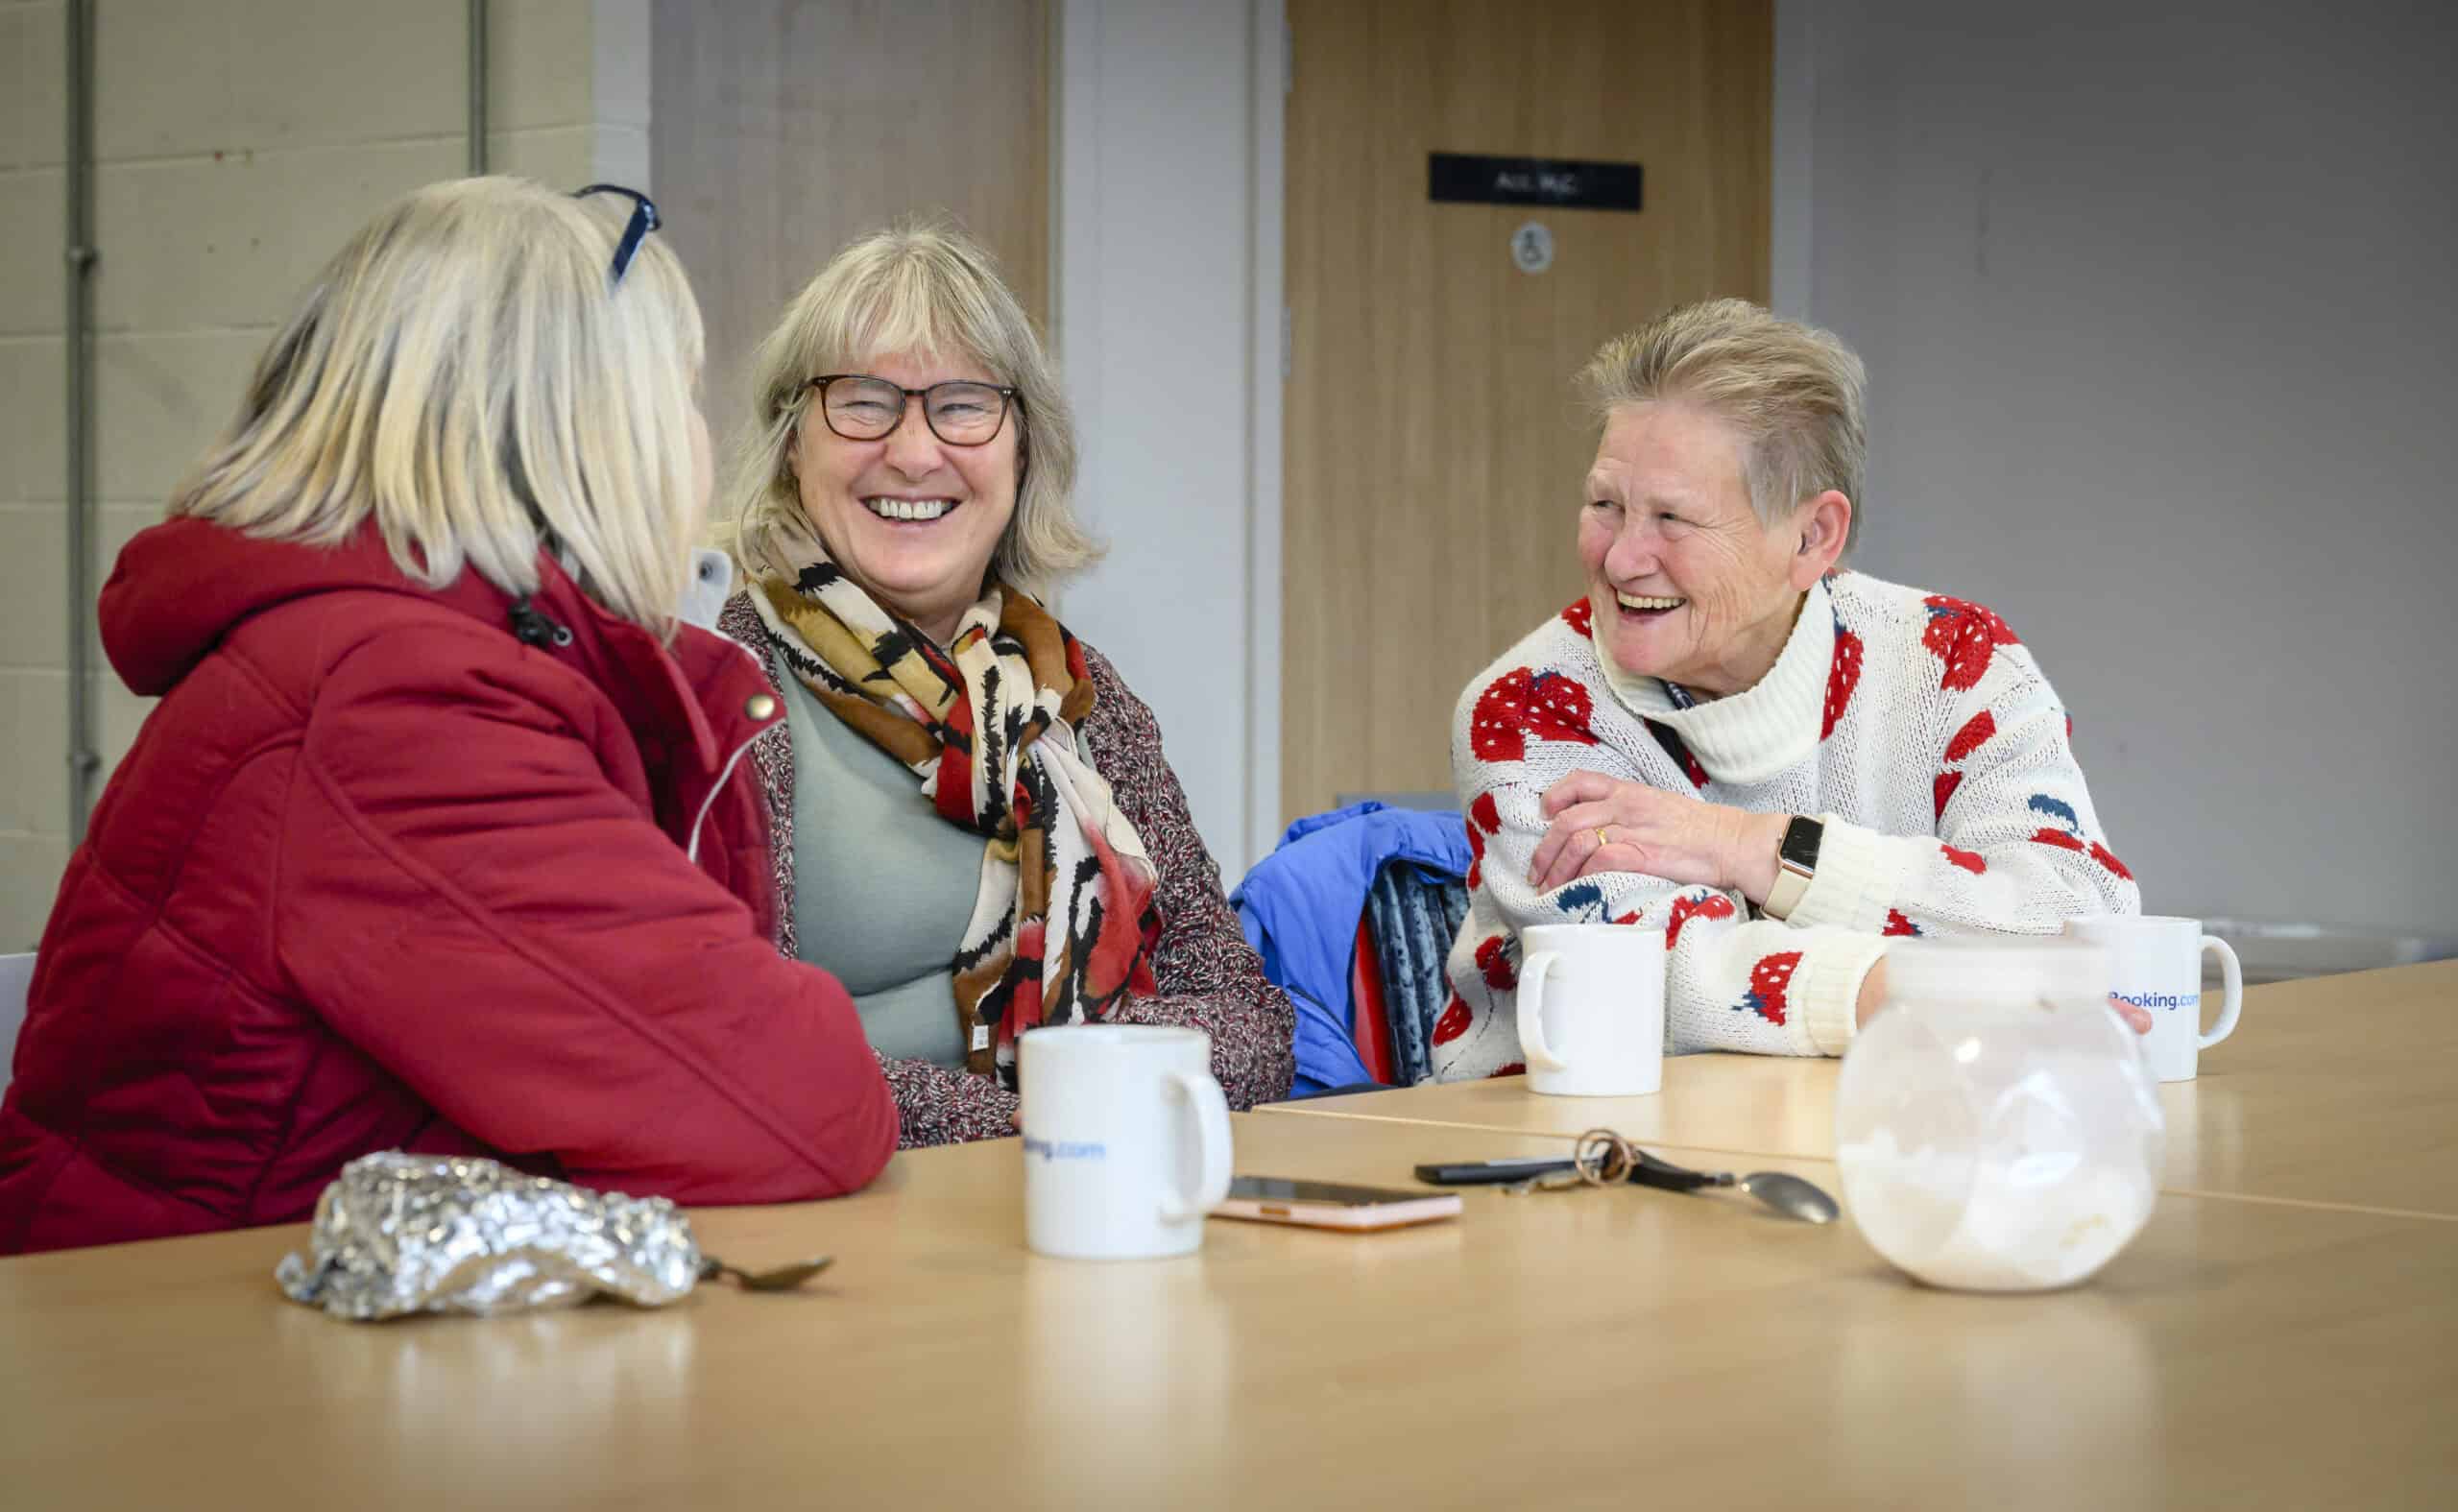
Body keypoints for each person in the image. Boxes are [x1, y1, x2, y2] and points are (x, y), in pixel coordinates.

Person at [0, 179, 897, 1255]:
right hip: (206, 1368)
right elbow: (795, 1107)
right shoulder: (404, 709)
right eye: (681, 394)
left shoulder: (372, 652)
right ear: (589, 428)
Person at [1439, 299, 2145, 1078]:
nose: (1620, 558)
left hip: (1895, 1123)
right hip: (1568, 1147)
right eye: (1606, 505)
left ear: (1813, 537)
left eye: (1672, 518)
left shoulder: (1955, 662)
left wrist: (1752, 847)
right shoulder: (1527, 709)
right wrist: (1906, 991)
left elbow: (2082, 919)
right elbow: (1663, 980)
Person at [717, 222, 1294, 1142]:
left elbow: (1247, 1019)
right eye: (863, 403)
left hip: (1089, 1200)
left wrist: (1077, 1099)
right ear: (793, 444)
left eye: (962, 404)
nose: (913, 452)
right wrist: (1028, 1123)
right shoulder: (723, 691)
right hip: (850, 1217)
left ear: (1023, 449)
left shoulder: (1077, 693)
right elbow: (729, 1048)